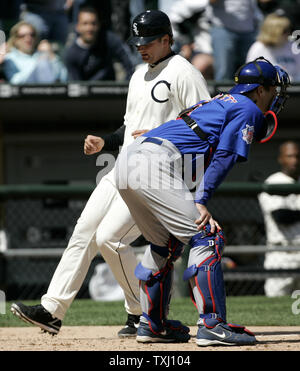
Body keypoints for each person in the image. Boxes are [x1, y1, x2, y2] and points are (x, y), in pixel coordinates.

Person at [10, 10, 211, 338]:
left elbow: (206, 125)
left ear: (167, 39)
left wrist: (192, 181)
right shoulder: (137, 74)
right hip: (123, 166)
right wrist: (107, 141)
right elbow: (131, 126)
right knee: (84, 231)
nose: (141, 48)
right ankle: (52, 310)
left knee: (110, 240)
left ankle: (143, 313)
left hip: (157, 175)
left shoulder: (184, 73)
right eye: (137, 42)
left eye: (148, 42)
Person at [114, 57, 290, 345]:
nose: (274, 97)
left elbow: (183, 122)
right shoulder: (248, 108)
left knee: (164, 243)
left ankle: (152, 325)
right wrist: (202, 199)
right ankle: (212, 325)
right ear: (259, 90)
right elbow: (225, 156)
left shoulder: (221, 100)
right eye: (272, 90)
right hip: (152, 163)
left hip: (129, 160)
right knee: (207, 236)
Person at [258, 141, 300, 297]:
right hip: (281, 252)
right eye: (289, 156)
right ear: (281, 159)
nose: (294, 160)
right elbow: (281, 216)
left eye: (297, 156)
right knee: (275, 301)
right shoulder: (274, 182)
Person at [64, 6, 135, 81]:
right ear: (77, 27)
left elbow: (129, 64)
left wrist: (127, 85)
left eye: (93, 23)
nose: (89, 28)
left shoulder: (109, 40)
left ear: (98, 25)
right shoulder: (71, 54)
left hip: (112, 89)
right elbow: (75, 85)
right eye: (85, 24)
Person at [208, 0, 263, 81]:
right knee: (224, 71)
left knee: (251, 71)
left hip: (249, 29)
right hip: (223, 28)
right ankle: (223, 93)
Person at [3, 21, 68, 84]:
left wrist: (52, 56)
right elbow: (14, 82)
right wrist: (37, 63)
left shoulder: (42, 54)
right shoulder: (10, 57)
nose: (28, 38)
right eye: (22, 36)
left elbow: (63, 78)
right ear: (15, 40)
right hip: (26, 93)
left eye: (32, 35)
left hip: (50, 91)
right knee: (42, 63)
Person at [246, 13, 300, 82]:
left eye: (289, 30)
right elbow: (251, 74)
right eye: (284, 31)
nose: (288, 34)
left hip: (293, 87)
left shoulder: (292, 46)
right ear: (273, 32)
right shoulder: (258, 48)